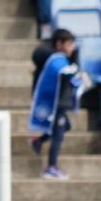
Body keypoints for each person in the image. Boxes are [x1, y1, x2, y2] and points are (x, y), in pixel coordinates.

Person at [29, 27, 80, 177]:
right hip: (55, 104)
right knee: (58, 135)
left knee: (65, 127)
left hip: (60, 103)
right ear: (59, 44)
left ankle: (38, 140)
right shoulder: (55, 61)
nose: (71, 48)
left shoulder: (63, 61)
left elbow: (71, 79)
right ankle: (51, 167)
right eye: (69, 44)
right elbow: (67, 75)